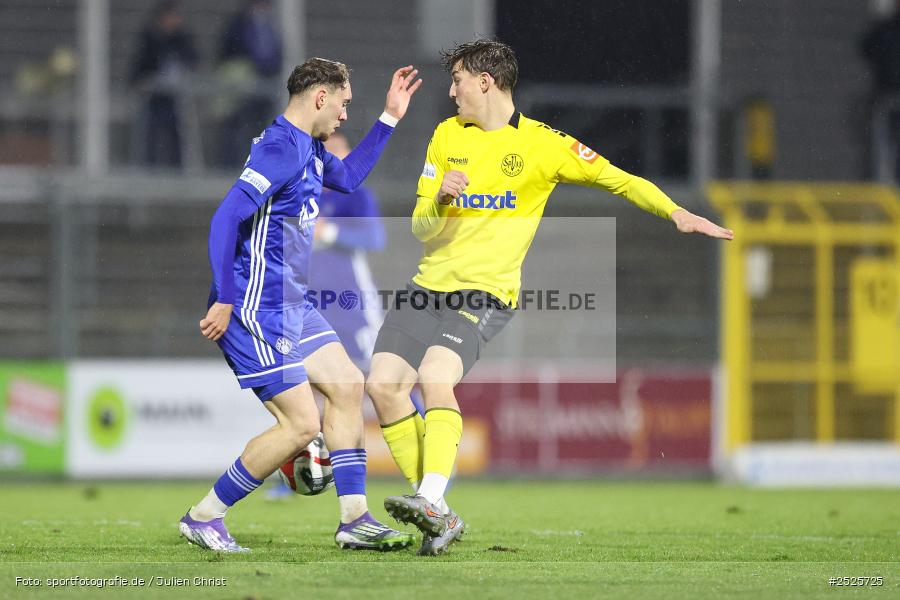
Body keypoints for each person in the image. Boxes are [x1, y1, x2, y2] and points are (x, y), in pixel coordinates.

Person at [365, 39, 733, 556]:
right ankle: (439, 514)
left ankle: (428, 497)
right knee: (382, 385)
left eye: (458, 81)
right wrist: (443, 199)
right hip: (429, 284)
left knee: (434, 377)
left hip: (486, 290)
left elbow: (618, 180)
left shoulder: (544, 144)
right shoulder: (447, 136)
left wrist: (675, 212)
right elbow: (422, 229)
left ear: (486, 81)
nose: (451, 92)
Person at [178, 57, 422, 552]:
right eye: (345, 103)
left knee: (349, 385)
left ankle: (355, 520)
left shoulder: (308, 148)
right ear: (319, 97)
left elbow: (350, 178)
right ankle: (204, 516)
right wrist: (226, 298)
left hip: (292, 301)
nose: (345, 114)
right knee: (300, 424)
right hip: (254, 304)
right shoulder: (279, 148)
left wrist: (390, 117)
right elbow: (225, 219)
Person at [264, 132, 425, 500]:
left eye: (339, 152)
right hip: (309, 305)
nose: (332, 159)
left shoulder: (355, 196)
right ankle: (293, 475)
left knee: (385, 382)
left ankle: (431, 460)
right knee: (301, 389)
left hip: (352, 308)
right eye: (325, 152)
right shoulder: (300, 193)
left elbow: (374, 239)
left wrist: (330, 230)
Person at [130, 0, 197, 167]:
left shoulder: (182, 38)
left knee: (176, 135)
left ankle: (177, 169)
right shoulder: (150, 38)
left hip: (175, 98)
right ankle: (150, 168)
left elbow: (193, 61)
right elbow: (139, 66)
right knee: (152, 135)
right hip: (154, 98)